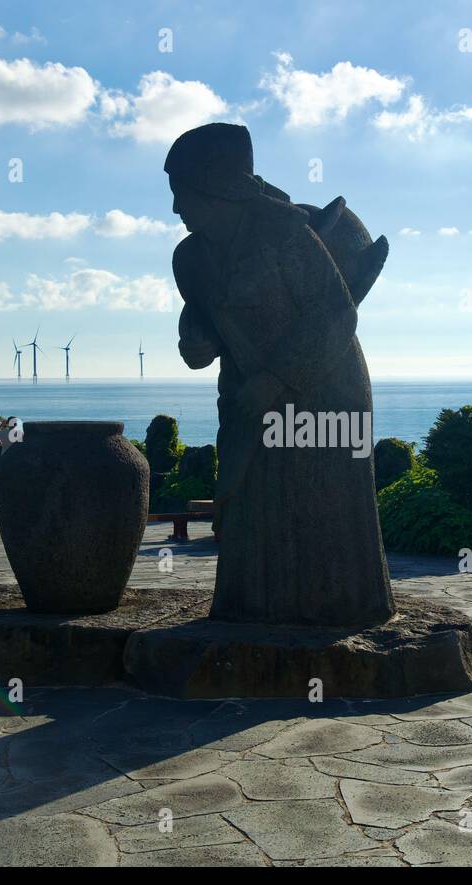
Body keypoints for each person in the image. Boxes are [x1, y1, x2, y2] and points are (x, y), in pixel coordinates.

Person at [166, 122, 393, 627]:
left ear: (216, 187)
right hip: (249, 399)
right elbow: (198, 313)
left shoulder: (284, 233)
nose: (177, 208)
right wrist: (195, 339)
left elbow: (335, 313)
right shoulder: (189, 258)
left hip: (325, 390)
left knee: (322, 501)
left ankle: (338, 615)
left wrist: (277, 377)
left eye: (182, 192)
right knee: (254, 508)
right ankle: (255, 613)